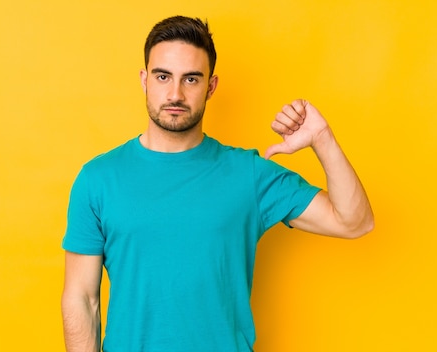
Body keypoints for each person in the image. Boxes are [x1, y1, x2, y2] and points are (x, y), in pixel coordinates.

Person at [61, 15, 374, 352]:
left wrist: (322, 139)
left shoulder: (249, 174)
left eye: (191, 79)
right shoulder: (98, 179)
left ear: (211, 87)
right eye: (163, 76)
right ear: (144, 80)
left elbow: (355, 221)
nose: (175, 93)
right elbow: (82, 298)